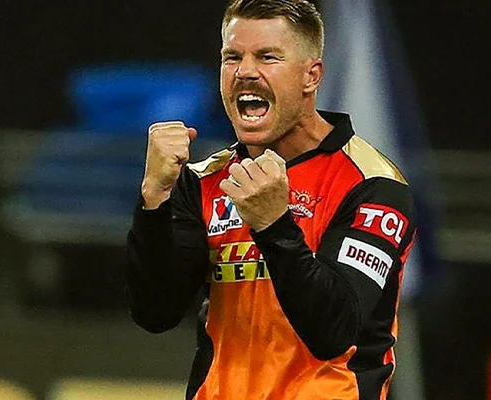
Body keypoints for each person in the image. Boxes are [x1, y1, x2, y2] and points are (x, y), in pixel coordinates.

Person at [126, 0, 417, 398]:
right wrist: (154, 201)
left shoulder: (372, 185)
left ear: (311, 76)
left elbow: (334, 331)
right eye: (232, 57)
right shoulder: (204, 180)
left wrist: (274, 226)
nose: (245, 71)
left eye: (267, 57)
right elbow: (156, 313)